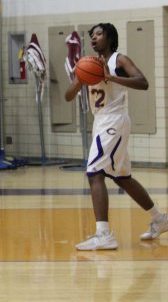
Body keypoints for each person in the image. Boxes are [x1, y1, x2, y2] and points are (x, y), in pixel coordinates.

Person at [65, 23, 168, 250]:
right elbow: (67, 96)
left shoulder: (119, 60)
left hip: (114, 120)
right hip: (101, 121)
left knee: (94, 173)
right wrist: (80, 79)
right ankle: (160, 220)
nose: (94, 38)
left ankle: (104, 235)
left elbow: (143, 82)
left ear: (110, 37)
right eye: (91, 35)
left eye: (99, 34)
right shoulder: (88, 64)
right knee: (122, 178)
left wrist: (110, 77)